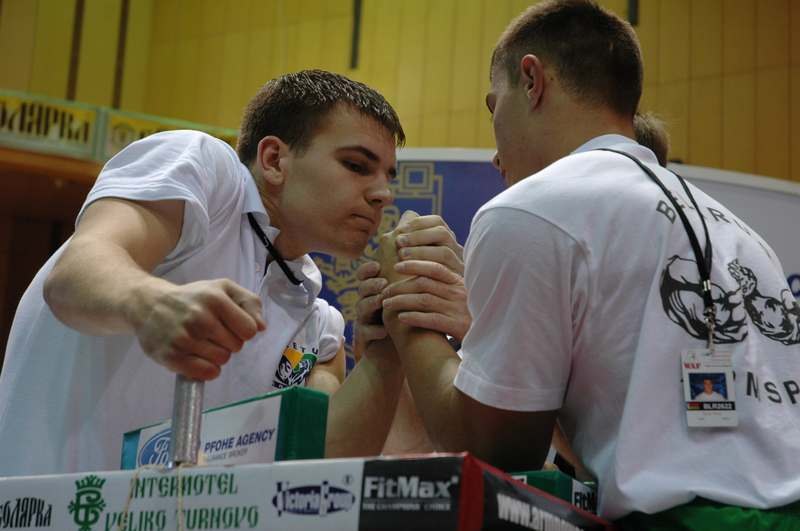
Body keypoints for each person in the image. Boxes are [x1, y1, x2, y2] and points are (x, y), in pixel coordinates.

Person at [373, 1, 800, 527]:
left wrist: (408, 304)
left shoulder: (529, 209)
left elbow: (496, 450)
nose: (495, 152)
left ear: (531, 80)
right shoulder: (743, 234)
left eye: (493, 107)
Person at [0, 70, 421, 475]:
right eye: (357, 165)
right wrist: (153, 305)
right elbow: (76, 271)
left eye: (388, 176)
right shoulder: (203, 167)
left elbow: (316, 462)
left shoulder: (317, 325)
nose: (382, 193)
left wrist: (388, 347)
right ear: (274, 159)